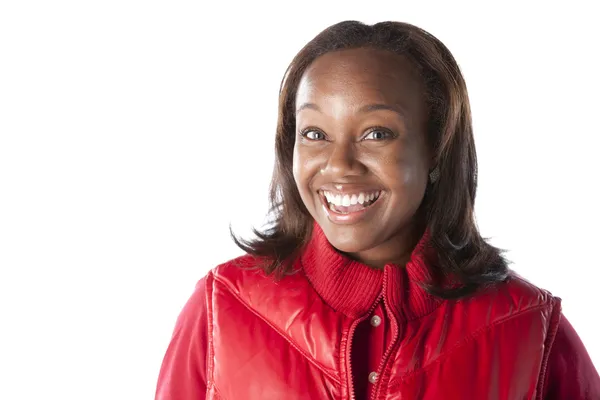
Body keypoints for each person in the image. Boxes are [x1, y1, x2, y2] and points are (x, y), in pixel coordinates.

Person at [154, 20, 600, 399]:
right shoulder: (220, 309)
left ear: (437, 151)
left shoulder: (530, 328)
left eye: (376, 133)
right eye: (314, 133)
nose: (339, 165)